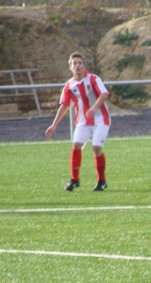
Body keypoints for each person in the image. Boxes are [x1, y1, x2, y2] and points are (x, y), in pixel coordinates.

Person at [45, 52, 110, 192]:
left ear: (84, 65)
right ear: (70, 67)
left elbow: (104, 94)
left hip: (100, 119)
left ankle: (102, 181)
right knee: (76, 145)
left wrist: (94, 108)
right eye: (74, 63)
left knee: (96, 148)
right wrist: (54, 125)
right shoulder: (69, 85)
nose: (77, 65)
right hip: (83, 121)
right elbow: (64, 106)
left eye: (80, 63)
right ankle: (74, 180)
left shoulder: (93, 79)